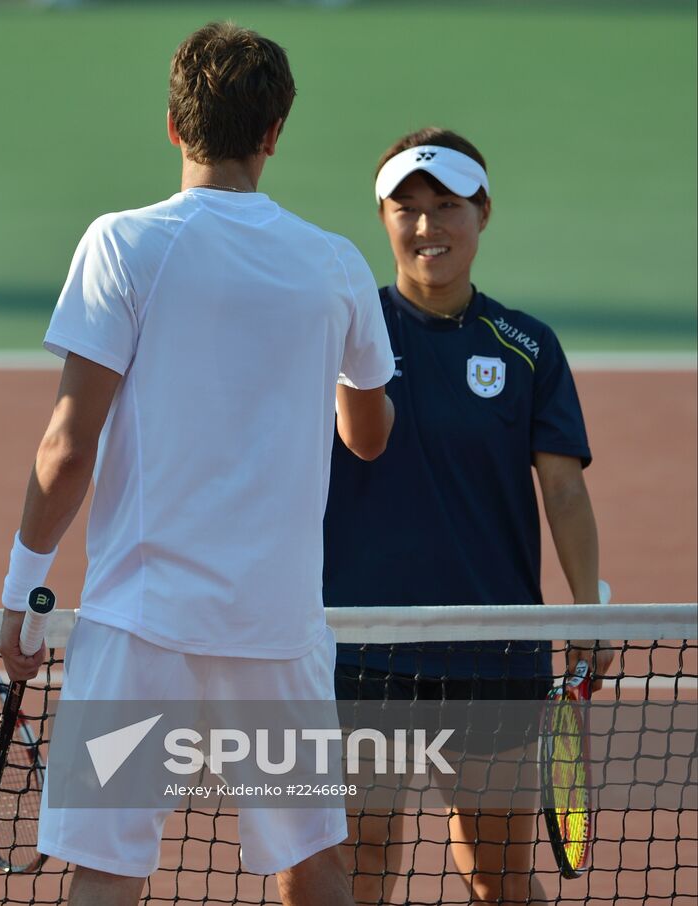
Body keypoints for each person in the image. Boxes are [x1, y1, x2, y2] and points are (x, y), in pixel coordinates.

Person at [0, 22, 395, 906]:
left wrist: (26, 591)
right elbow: (367, 434)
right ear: (273, 133)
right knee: (314, 864)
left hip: (141, 626)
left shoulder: (122, 244)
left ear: (174, 127)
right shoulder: (337, 265)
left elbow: (69, 444)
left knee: (107, 871)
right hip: (278, 628)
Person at [323, 127, 611, 906]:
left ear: (483, 214)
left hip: (494, 653)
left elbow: (565, 491)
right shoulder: (338, 336)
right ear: (381, 218)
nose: (427, 227)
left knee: (497, 882)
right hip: (359, 655)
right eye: (407, 208)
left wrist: (589, 610)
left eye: (446, 206)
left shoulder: (526, 348)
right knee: (363, 866)